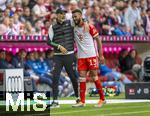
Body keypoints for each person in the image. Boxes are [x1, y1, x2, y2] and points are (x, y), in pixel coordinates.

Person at [72, 9, 106, 107]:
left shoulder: (90, 26)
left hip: (91, 55)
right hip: (81, 57)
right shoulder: (73, 27)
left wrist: (101, 54)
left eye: (76, 16)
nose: (74, 18)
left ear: (80, 16)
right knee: (82, 78)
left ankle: (102, 99)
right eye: (73, 17)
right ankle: (82, 101)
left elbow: (98, 40)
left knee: (94, 76)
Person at [47, 8, 79, 108]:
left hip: (70, 55)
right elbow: (48, 42)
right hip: (58, 57)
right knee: (55, 77)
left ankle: (78, 99)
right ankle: (55, 101)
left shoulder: (71, 23)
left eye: (64, 14)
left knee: (73, 77)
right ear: (56, 15)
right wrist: (59, 46)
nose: (63, 15)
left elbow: (80, 21)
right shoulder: (52, 27)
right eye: (61, 14)